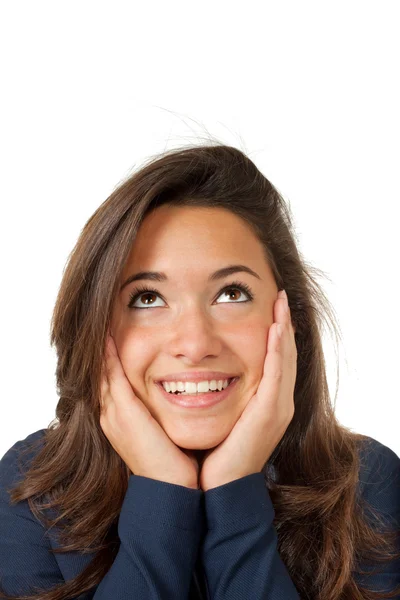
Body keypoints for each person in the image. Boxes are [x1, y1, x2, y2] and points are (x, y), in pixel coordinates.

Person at [0, 143, 399, 599]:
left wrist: (236, 495)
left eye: (231, 293)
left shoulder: (369, 483)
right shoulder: (32, 489)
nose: (194, 345)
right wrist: (162, 495)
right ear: (94, 325)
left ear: (291, 319)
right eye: (147, 298)